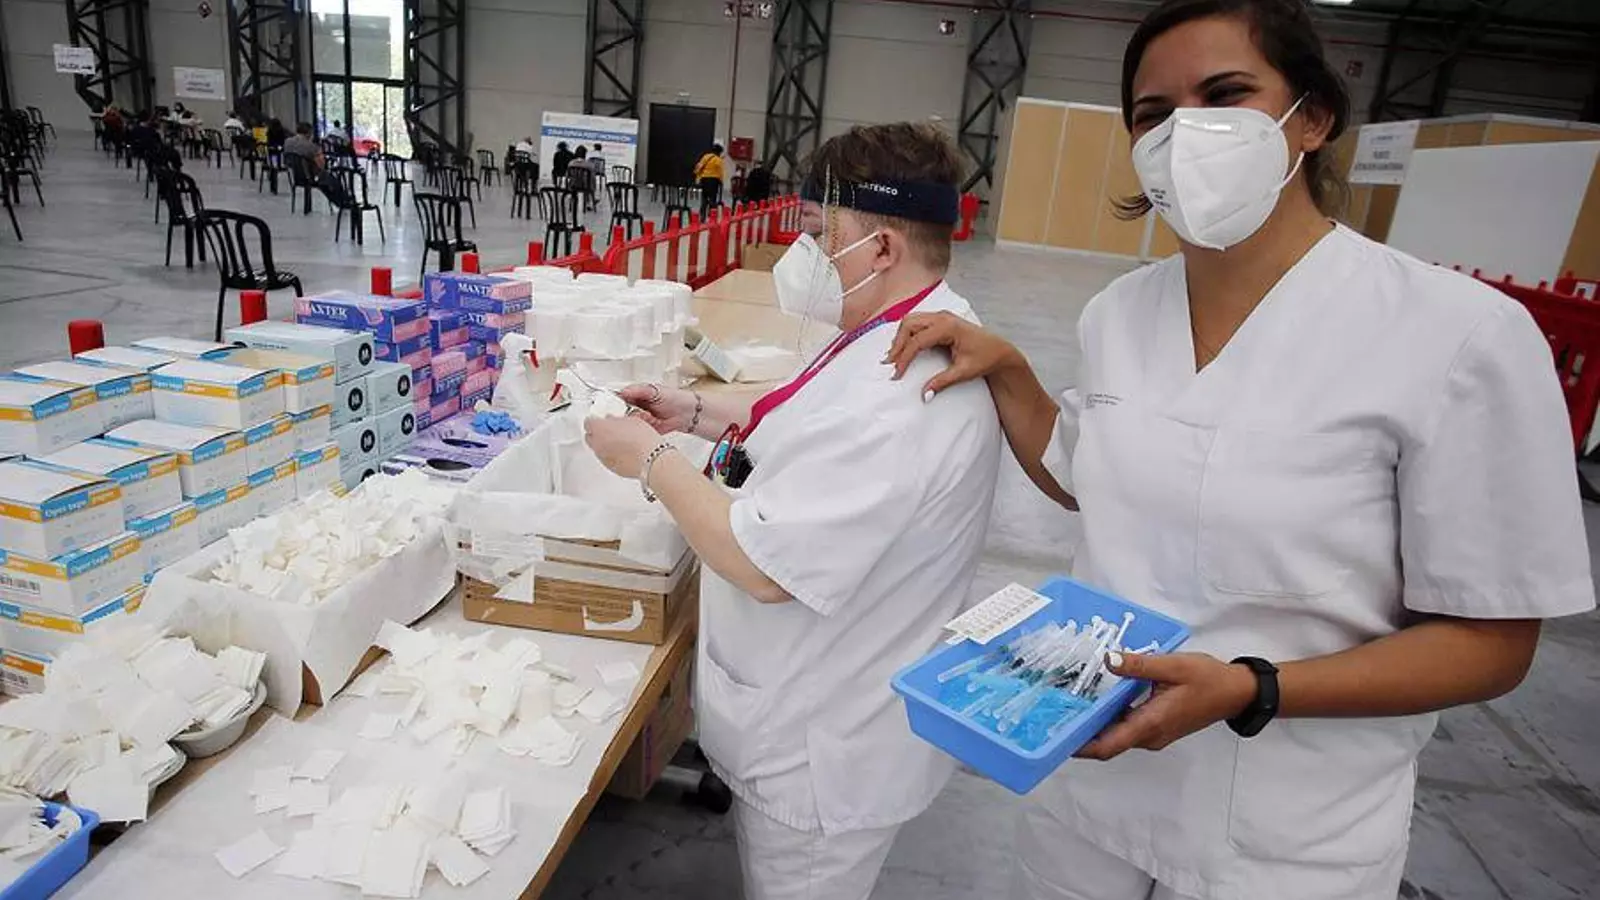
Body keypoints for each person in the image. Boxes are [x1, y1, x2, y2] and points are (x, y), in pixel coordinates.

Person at [885, 2, 1596, 899]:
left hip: (1283, 833)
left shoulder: (1456, 336)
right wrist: (1010, 370)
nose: (1185, 132)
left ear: (1312, 116)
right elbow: (1082, 473)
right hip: (1090, 788)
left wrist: (1255, 688)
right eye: (1153, 113)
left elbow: (1492, 640)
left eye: (1225, 95)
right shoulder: (1120, 313)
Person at [584, 122, 1001, 900]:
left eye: (820, 235)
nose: (804, 254)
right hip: (823, 708)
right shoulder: (903, 327)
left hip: (821, 757)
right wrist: (693, 411)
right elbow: (809, 410)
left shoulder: (899, 399)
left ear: (881, 248)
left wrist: (648, 457)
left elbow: (759, 564)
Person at [283, 122, 350, 208]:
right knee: (331, 180)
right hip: (310, 177)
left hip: (295, 176)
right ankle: (343, 202)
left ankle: (341, 201)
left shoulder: (287, 142)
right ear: (309, 133)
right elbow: (321, 165)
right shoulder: (310, 146)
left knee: (325, 180)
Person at [694, 142, 726, 216]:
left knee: (704, 197)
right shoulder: (718, 160)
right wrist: (721, 181)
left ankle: (702, 214)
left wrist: (697, 176)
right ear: (719, 152)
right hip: (714, 181)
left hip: (704, 179)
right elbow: (720, 172)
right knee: (712, 198)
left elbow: (699, 166)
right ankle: (711, 214)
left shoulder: (706, 157)